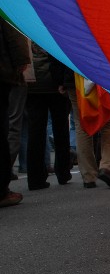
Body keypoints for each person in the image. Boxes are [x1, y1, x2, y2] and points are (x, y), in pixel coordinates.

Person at [58, 63, 110, 188]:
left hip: (74, 75)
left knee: (81, 124)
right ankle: (106, 166)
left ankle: (88, 176)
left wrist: (60, 79)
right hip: (107, 73)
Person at [25, 43, 72, 190]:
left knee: (35, 131)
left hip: (33, 84)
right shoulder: (49, 25)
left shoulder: (25, 26)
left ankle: (35, 178)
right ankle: (63, 172)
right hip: (55, 82)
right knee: (61, 129)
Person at [0, 18, 30, 206]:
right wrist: (21, 62)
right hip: (2, 73)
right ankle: (2, 189)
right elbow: (13, 32)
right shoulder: (4, 4)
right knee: (6, 127)